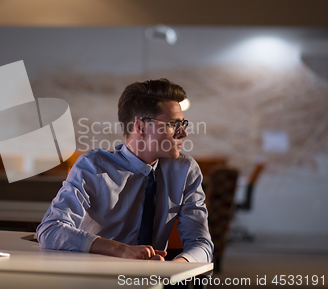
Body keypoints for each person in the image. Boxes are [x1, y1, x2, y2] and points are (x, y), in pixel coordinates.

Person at [36, 78, 213, 263]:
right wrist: (120, 250)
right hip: (95, 278)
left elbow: (202, 244)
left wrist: (172, 268)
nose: (183, 133)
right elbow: (51, 229)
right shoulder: (93, 166)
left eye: (182, 124)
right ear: (141, 127)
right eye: (173, 124)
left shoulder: (185, 171)